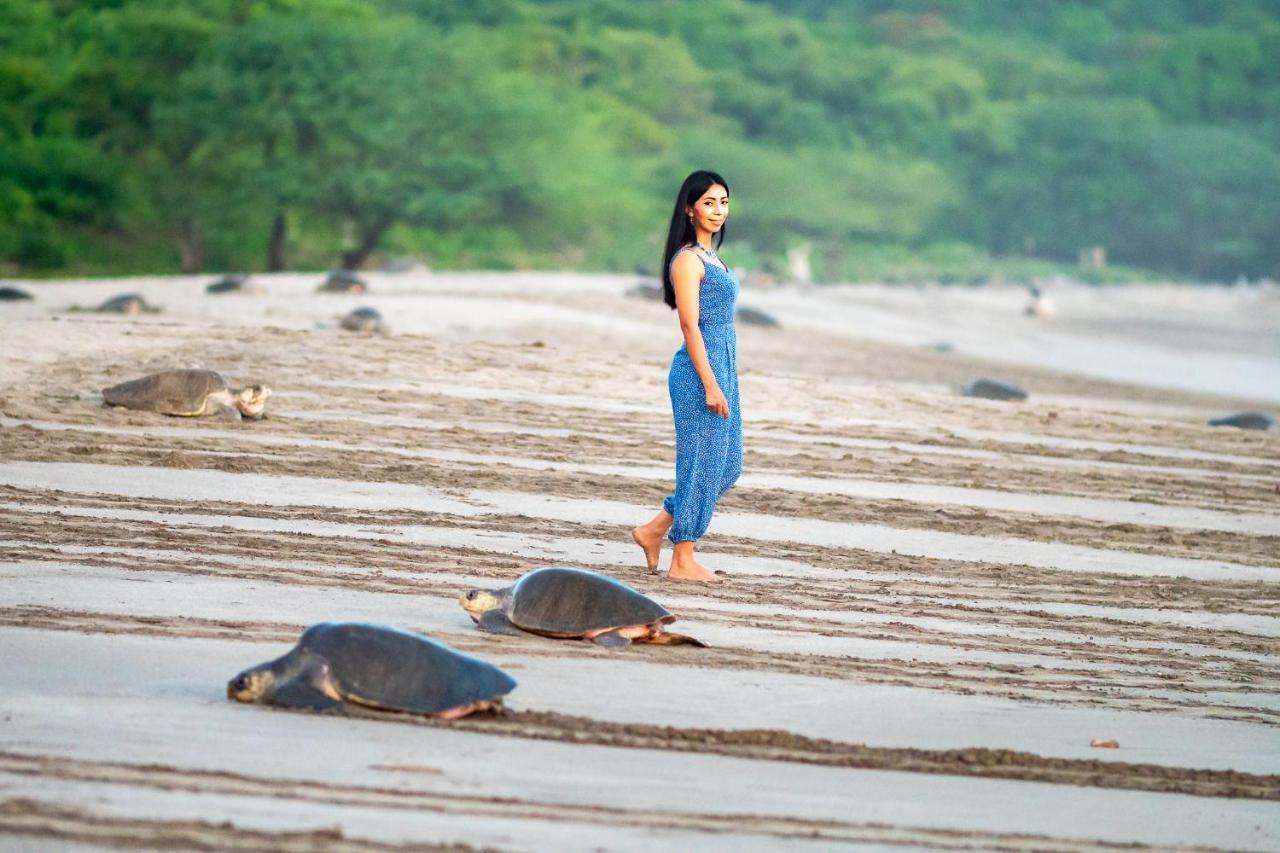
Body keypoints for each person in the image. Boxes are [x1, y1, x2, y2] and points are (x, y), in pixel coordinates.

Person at [632, 170, 741, 583]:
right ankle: (682, 560)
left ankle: (654, 529)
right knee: (700, 464)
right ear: (690, 209)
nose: (718, 211)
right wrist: (711, 384)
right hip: (699, 373)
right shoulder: (688, 260)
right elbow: (690, 327)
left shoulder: (714, 258)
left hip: (722, 368)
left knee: (728, 465)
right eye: (709, 202)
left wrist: (724, 378)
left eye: (724, 202)